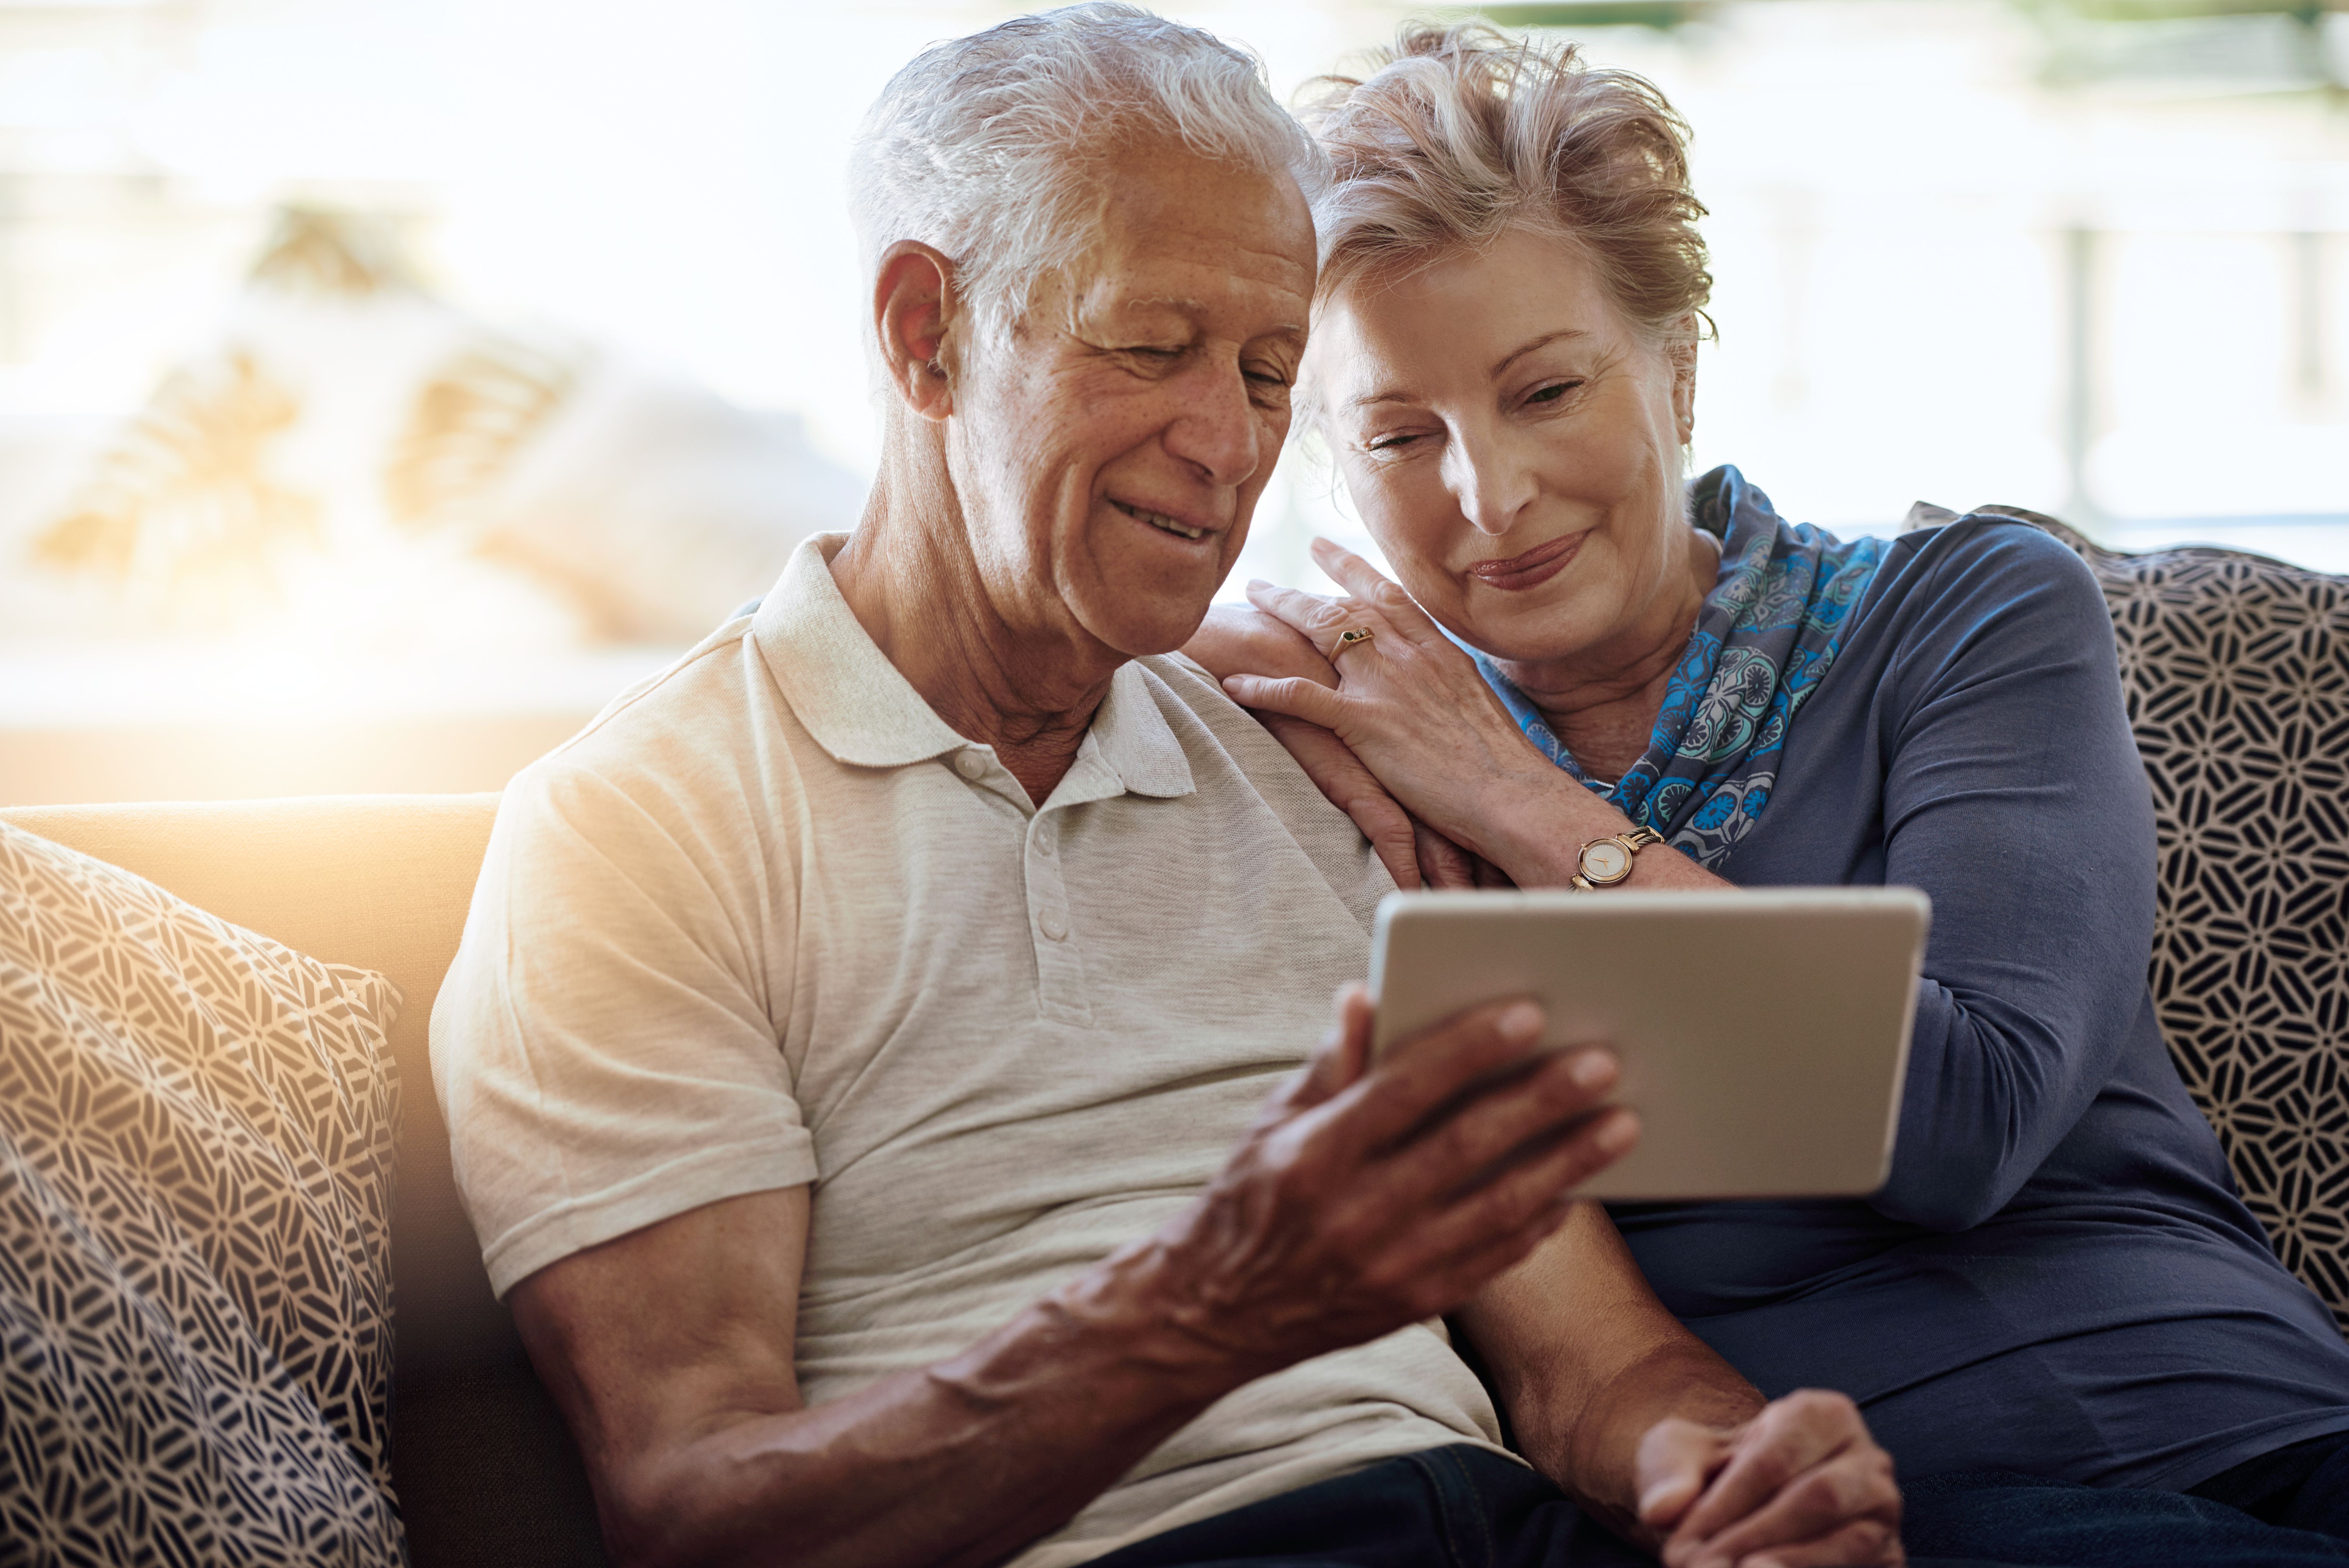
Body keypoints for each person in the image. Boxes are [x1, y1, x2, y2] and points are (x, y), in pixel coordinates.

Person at [428, 9, 1948, 1568]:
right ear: (926, 336)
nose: (1226, 444)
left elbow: (1593, 1367)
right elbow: (696, 1513)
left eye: (1271, 372)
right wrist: (1209, 1306)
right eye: (1151, 348)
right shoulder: (635, 828)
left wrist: (1732, 1473)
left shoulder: (1309, 762)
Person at [1184, 23, 2349, 1567]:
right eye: (1402, 435)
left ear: (1674, 375)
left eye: (1547, 390)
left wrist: (1517, 797)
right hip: (1827, 1511)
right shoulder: (1348, 748)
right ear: (1329, 462)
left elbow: (1961, 1125)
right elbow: (1063, 632)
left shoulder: (1970, 613)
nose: (1490, 495)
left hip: (2241, 1428)